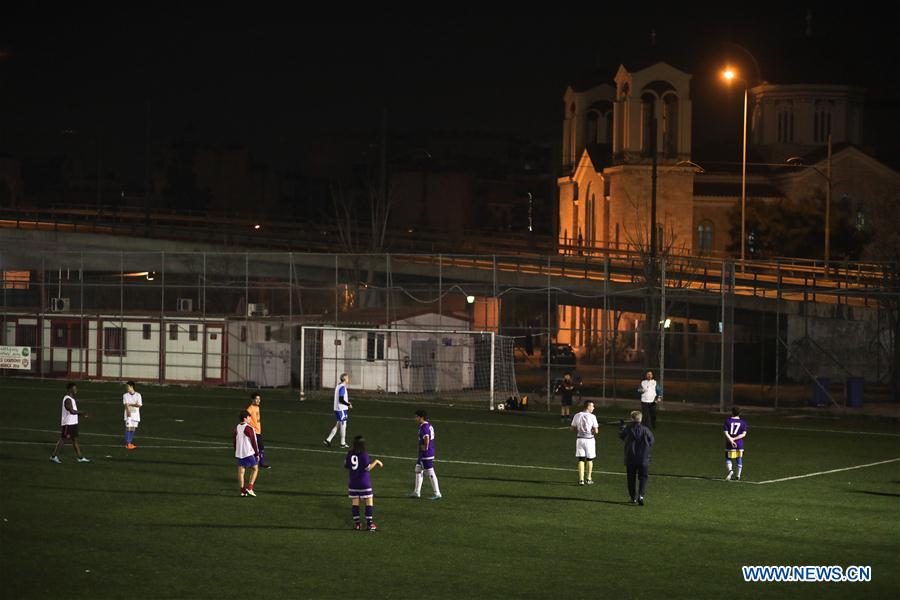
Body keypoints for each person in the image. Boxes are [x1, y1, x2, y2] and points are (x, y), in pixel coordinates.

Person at [345, 435, 384, 531]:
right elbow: (368, 468)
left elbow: (346, 465)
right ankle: (370, 524)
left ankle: (358, 524)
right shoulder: (364, 454)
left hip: (353, 482)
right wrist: (376, 461)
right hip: (364, 482)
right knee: (369, 500)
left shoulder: (350, 453)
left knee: (355, 502)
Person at [619, 410, 654, 505]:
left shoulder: (628, 429)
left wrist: (622, 427)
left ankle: (633, 497)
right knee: (643, 478)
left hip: (630, 458)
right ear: (641, 419)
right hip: (643, 459)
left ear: (631, 419)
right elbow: (651, 441)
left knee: (631, 478)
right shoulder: (646, 430)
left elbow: (621, 436)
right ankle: (641, 496)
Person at [50, 382, 91, 463]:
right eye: (74, 388)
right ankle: (53, 456)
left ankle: (80, 457)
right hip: (68, 423)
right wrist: (82, 413)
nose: (76, 390)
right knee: (63, 439)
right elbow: (71, 411)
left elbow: (73, 412)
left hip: (73, 423)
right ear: (70, 389)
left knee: (75, 440)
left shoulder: (71, 399)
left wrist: (80, 415)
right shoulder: (67, 399)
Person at [409, 410, 442, 500]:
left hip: (426, 453)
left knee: (430, 472)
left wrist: (426, 447)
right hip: (424, 453)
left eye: (416, 416)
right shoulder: (428, 425)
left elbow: (426, 437)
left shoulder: (424, 427)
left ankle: (437, 493)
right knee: (418, 469)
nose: (415, 418)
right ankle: (416, 492)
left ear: (421, 417)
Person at [570, 400, 599, 485]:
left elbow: (572, 428)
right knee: (590, 459)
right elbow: (596, 431)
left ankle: (581, 479)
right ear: (588, 406)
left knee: (581, 459)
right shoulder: (592, 416)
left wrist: (579, 431)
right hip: (589, 440)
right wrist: (592, 431)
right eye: (592, 406)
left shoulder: (577, 415)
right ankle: (588, 478)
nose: (593, 408)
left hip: (580, 440)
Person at [233, 410, 260, 497]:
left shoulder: (237, 427)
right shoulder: (249, 428)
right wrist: (257, 453)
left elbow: (234, 440)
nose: (250, 418)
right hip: (247, 453)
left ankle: (242, 491)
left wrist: (236, 450)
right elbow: (254, 441)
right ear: (245, 418)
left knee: (241, 472)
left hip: (239, 453)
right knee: (255, 469)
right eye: (249, 417)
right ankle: (250, 488)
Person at [324, 373, 352, 448]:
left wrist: (346, 403)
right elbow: (341, 399)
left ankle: (328, 440)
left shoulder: (339, 385)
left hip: (339, 409)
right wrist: (348, 404)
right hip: (341, 409)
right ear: (345, 379)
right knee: (343, 425)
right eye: (347, 377)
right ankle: (342, 443)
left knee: (338, 424)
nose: (348, 379)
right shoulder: (342, 387)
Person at [246, 392, 270, 468]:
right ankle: (257, 464)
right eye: (256, 399)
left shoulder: (257, 407)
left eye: (259, 399)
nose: (258, 400)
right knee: (258, 448)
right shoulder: (250, 409)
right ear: (252, 399)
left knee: (259, 448)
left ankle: (257, 463)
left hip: (258, 431)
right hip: (254, 432)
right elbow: (245, 418)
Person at [724, 407, 748, 481]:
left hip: (729, 443)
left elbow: (725, 433)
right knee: (739, 458)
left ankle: (730, 471)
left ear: (732, 412)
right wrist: (735, 439)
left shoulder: (727, 421)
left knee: (728, 458)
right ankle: (738, 476)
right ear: (739, 413)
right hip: (739, 443)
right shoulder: (743, 422)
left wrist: (731, 440)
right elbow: (744, 434)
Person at [122, 380, 143, 450]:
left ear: (131, 386)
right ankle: (128, 444)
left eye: (127, 386)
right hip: (128, 414)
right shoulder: (125, 395)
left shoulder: (138, 395)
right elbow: (126, 405)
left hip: (136, 414)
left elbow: (139, 405)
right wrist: (128, 416)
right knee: (128, 428)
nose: (126, 388)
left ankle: (130, 442)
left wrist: (130, 404)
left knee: (133, 429)